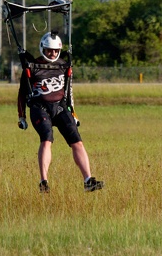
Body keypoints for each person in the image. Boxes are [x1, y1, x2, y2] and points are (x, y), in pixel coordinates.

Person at [18, 32, 104, 193]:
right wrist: (21, 116)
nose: (53, 54)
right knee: (47, 139)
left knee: (77, 141)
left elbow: (69, 91)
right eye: (50, 50)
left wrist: (74, 113)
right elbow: (22, 93)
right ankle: (44, 181)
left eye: (56, 51)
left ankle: (88, 181)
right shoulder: (32, 66)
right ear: (43, 49)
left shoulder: (64, 65)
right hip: (39, 107)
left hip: (60, 107)